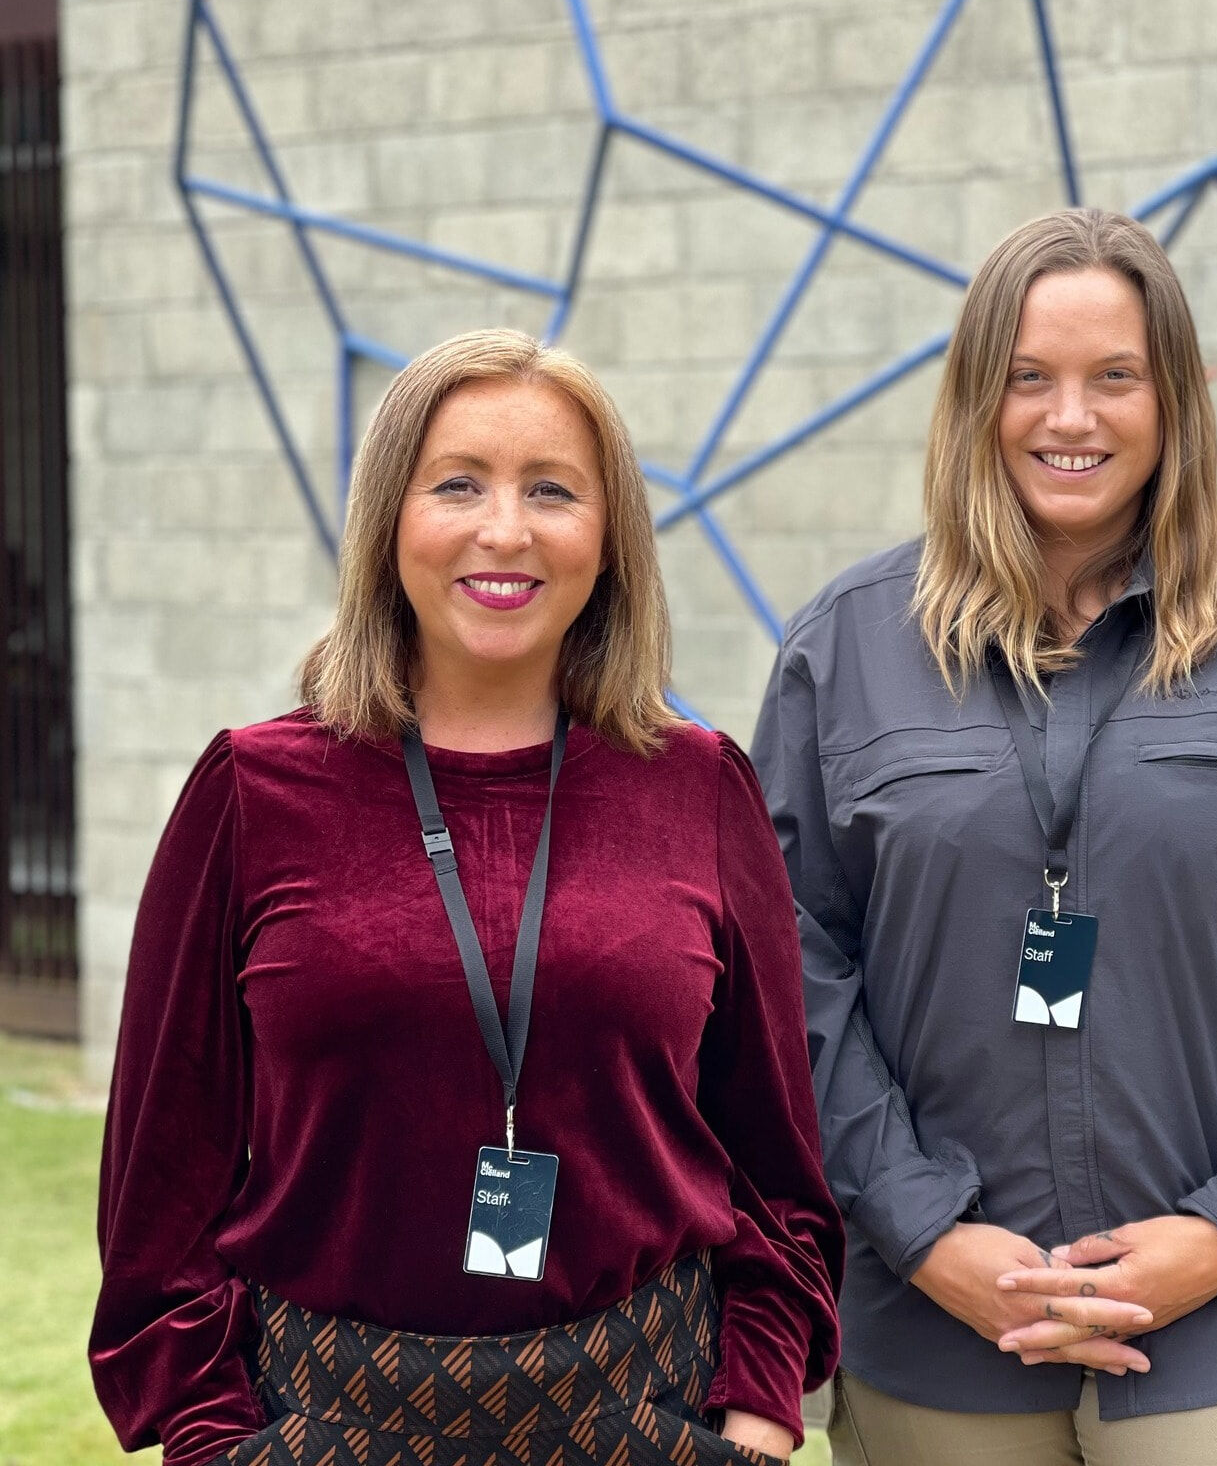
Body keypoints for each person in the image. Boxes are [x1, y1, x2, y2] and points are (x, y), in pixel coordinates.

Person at [752, 208, 1217, 1463]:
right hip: (941, 1354)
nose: (1071, 418)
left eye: (1113, 376)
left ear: (1170, 395)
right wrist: (923, 1232)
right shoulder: (840, 649)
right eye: (1029, 379)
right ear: (976, 400)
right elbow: (791, 973)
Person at [92, 329, 841, 1466]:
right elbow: (162, 1177)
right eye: (458, 484)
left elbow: (779, 1168)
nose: (506, 530)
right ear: (391, 520)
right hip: (324, 1424)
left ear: (609, 538)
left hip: (645, 1414)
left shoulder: (700, 788)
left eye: (552, 489)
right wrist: (214, 1439)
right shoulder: (251, 791)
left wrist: (756, 1418)